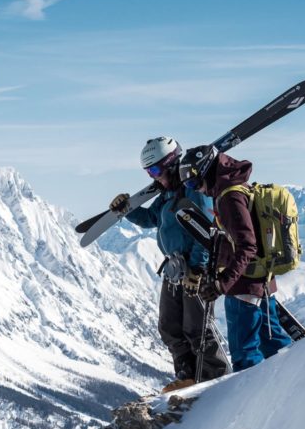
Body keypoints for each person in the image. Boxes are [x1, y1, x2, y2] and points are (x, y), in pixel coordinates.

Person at [110, 137, 229, 393]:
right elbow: (152, 218)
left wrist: (198, 269)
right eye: (149, 172)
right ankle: (187, 376)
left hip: (195, 270)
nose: (154, 178)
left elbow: (206, 233)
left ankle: (216, 378)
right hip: (175, 269)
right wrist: (127, 209)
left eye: (155, 171)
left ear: (172, 164)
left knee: (197, 328)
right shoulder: (168, 194)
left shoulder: (194, 191)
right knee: (169, 326)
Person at [180, 145, 293, 371]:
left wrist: (223, 284)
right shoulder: (237, 188)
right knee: (276, 345)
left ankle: (250, 404)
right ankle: (297, 385)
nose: (197, 189)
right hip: (261, 281)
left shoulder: (229, 197)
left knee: (245, 354)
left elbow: (247, 245)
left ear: (206, 171)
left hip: (243, 287)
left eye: (193, 183)